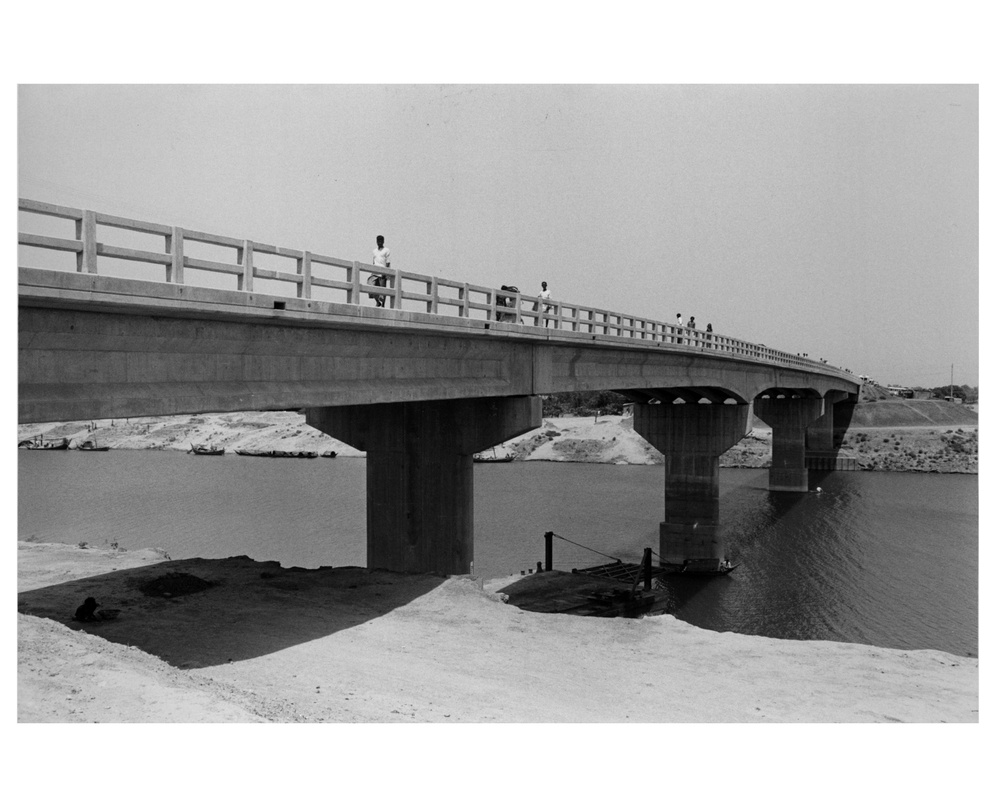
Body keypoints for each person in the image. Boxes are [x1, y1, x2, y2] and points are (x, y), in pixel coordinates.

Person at [369, 235, 390, 307]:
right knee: (370, 286)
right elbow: (373, 261)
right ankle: (378, 302)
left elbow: (388, 262)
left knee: (382, 290)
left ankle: (383, 305)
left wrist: (385, 272)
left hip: (382, 272)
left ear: (383, 241)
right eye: (378, 241)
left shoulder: (386, 250)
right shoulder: (374, 251)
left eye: (381, 241)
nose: (379, 242)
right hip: (374, 272)